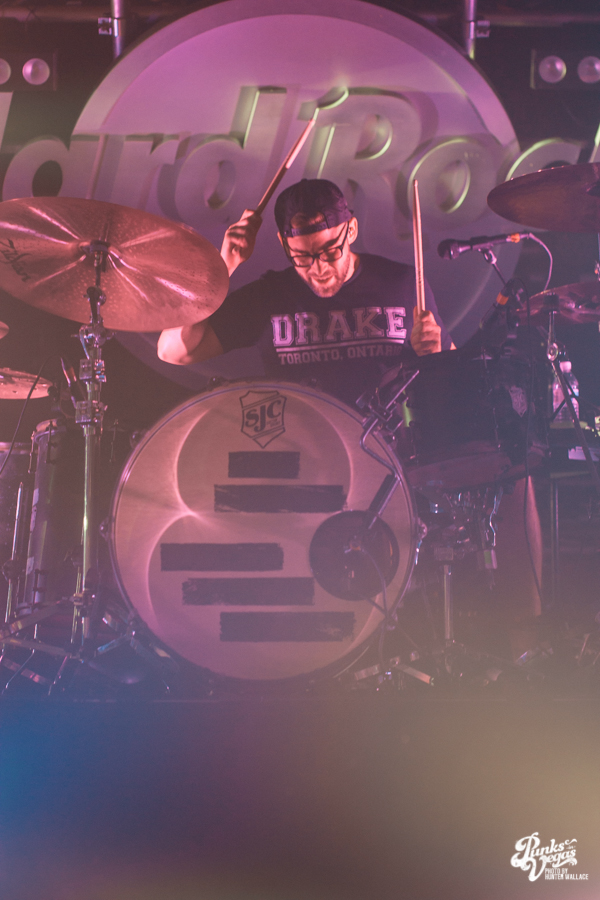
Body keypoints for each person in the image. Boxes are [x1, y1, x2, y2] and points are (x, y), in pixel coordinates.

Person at [158, 178, 541, 663]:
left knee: (515, 477)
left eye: (330, 251)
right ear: (283, 246)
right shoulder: (269, 295)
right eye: (303, 257)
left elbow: (447, 379)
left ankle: (526, 648)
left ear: (352, 230)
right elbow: (174, 349)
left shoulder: (402, 283)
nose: (319, 268)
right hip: (305, 470)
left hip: (392, 464)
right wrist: (222, 267)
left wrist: (438, 348)